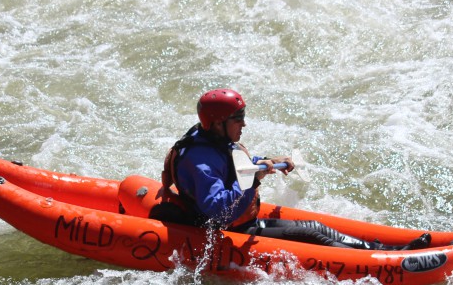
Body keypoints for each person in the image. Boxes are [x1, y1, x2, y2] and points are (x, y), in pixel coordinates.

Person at [152, 88, 431, 251]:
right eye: (238, 119)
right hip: (223, 233)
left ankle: (387, 250)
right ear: (216, 123)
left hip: (240, 222)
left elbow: (233, 164)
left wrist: (268, 160)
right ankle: (390, 258)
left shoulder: (213, 140)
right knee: (311, 235)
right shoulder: (200, 162)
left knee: (315, 227)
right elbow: (218, 209)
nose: (244, 124)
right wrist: (254, 179)